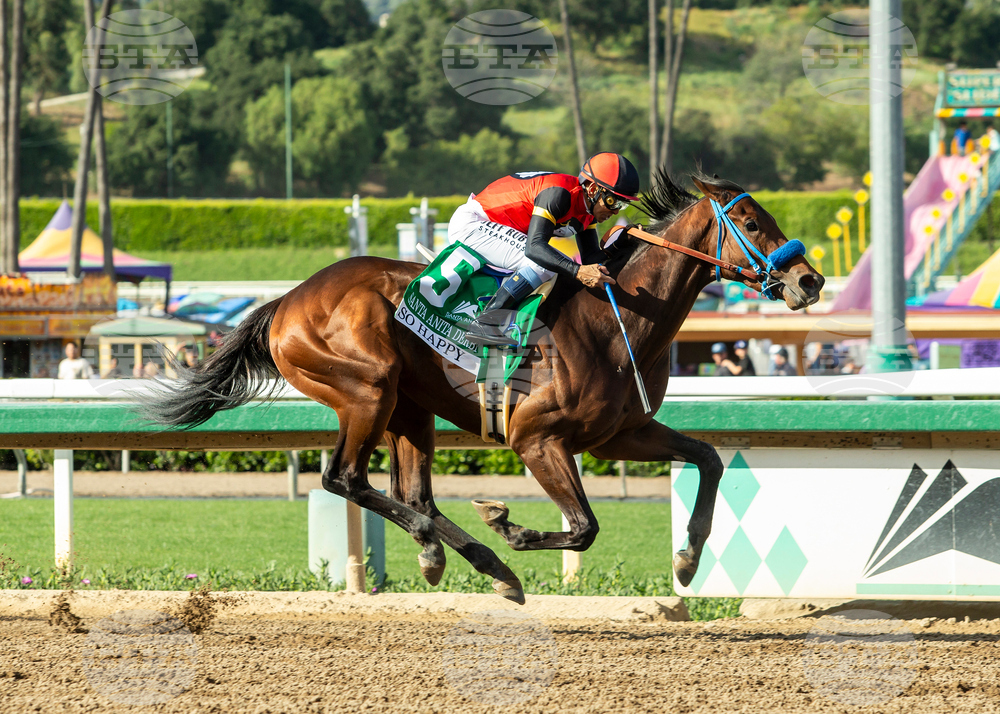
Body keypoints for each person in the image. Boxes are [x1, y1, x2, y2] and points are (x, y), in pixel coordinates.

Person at [451, 152, 640, 345]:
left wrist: (622, 244)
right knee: (544, 264)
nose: (616, 211)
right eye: (612, 201)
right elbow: (534, 248)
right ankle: (485, 322)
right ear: (592, 189)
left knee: (554, 263)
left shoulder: (588, 212)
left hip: (494, 227)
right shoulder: (559, 194)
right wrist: (576, 271)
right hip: (474, 223)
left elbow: (591, 260)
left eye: (622, 205)